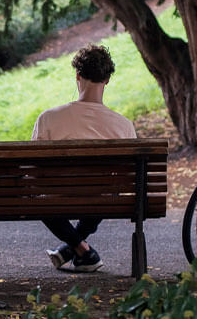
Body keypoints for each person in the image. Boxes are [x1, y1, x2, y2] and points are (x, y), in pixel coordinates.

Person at [31, 44, 136, 272]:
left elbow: (35, 173)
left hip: (57, 198)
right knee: (105, 191)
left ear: (77, 75)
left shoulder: (48, 119)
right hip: (100, 201)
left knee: (37, 198)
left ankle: (78, 248)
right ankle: (80, 250)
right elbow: (126, 179)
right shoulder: (124, 127)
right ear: (107, 80)